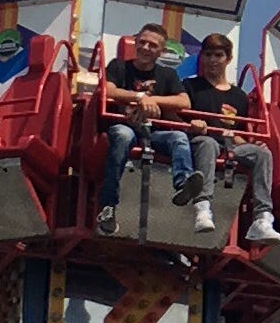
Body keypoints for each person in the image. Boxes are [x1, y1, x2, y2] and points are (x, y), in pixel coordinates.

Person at [171, 32, 280, 249]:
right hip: (199, 143)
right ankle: (202, 207)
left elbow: (236, 132)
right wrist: (191, 124)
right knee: (208, 143)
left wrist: (249, 144)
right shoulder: (190, 86)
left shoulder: (239, 96)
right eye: (208, 55)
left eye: (218, 55)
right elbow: (174, 116)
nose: (212, 60)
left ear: (228, 59)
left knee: (262, 153)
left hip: (227, 146)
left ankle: (262, 218)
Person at [85, 31, 198, 235]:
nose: (145, 48)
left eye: (152, 45)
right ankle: (108, 206)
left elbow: (184, 102)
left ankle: (183, 185)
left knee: (179, 137)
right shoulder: (119, 66)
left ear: (161, 51)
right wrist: (139, 97)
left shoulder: (167, 75)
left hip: (153, 133)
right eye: (142, 42)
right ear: (135, 43)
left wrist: (152, 100)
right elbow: (108, 90)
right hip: (125, 127)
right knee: (123, 136)